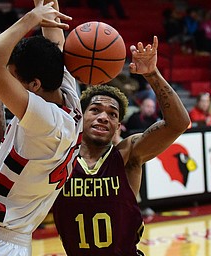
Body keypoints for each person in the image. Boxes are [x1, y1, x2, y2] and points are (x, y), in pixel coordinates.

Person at [0, 0, 82, 255]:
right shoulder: (67, 96)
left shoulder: (47, 122)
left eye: (13, 78)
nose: (7, 83)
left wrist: (31, 17)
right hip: (9, 240)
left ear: (34, 85)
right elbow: (54, 36)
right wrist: (42, 7)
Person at [52, 36, 190, 255]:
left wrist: (152, 74)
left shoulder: (127, 155)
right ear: (81, 117)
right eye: (95, 110)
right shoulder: (60, 158)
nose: (104, 117)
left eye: (112, 114)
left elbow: (179, 124)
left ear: (118, 126)